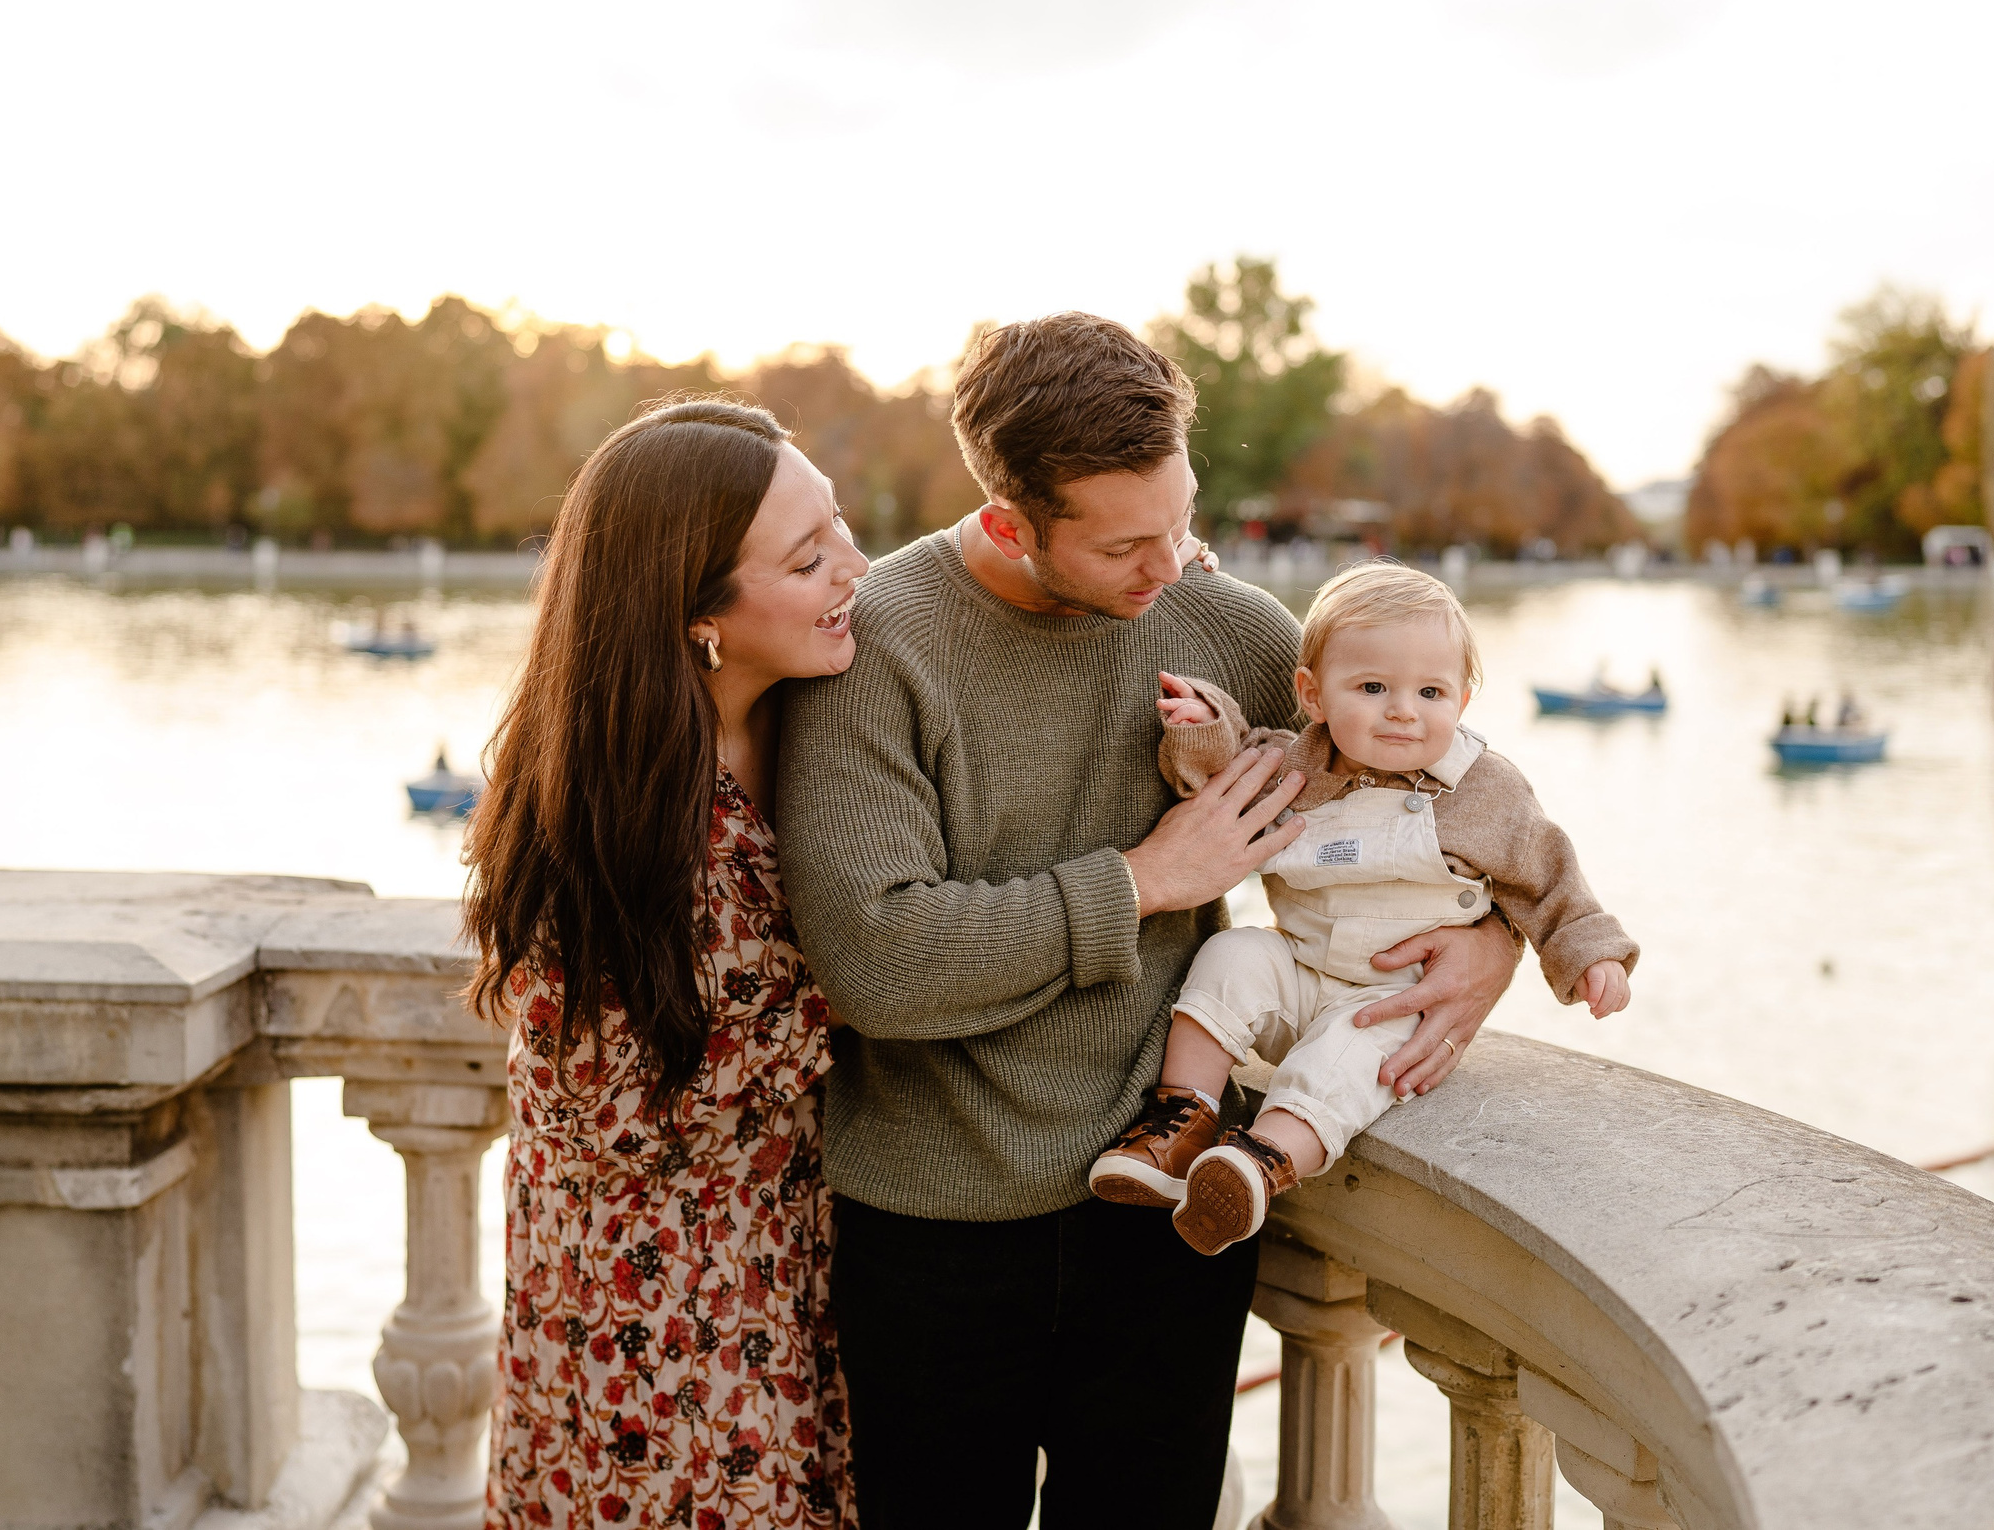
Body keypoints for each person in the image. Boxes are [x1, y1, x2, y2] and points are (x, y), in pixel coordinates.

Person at [776, 313, 1526, 1529]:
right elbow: (879, 961)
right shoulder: (885, 647)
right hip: (930, 1229)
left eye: (1181, 517)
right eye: (1128, 542)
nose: (1173, 562)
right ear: (1013, 524)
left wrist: (1495, 944)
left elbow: (1447, 794)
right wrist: (1147, 880)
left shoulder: (1229, 628)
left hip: (1168, 1209)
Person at [463, 400, 870, 1530]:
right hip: (653, 1327)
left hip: (789, 1276)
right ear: (699, 614)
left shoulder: (818, 715)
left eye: (839, 527)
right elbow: (618, 1105)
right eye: (809, 557)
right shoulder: (595, 812)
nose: (856, 568)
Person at [1091, 562, 1639, 1251]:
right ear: (1312, 695)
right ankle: (1181, 1117)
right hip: (1301, 972)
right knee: (1233, 954)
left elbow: (1549, 878)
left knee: (1354, 1060)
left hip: (1395, 1001)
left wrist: (1593, 956)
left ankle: (1259, 1161)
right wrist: (1202, 726)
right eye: (1372, 687)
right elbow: (1225, 774)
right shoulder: (1298, 766)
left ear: (1463, 701)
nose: (1403, 709)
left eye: (1430, 691)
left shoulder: (1483, 789)